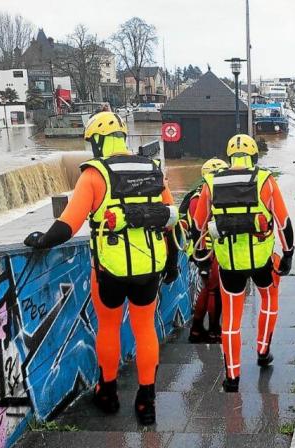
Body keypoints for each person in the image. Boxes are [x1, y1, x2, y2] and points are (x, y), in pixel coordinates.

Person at [23, 111, 179, 425]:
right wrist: (172, 262)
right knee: (145, 329)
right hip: (149, 267)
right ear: (122, 138)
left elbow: (68, 224)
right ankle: (146, 402)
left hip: (108, 271)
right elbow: (170, 220)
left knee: (108, 328)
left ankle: (107, 393)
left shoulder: (94, 175)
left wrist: (41, 240)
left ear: (97, 141)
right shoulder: (153, 170)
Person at [192, 134, 295, 392]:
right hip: (262, 259)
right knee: (269, 301)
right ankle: (263, 350)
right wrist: (288, 253)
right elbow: (283, 222)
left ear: (229, 158)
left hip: (229, 264)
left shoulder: (211, 183)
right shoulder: (265, 180)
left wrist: (202, 260)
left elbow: (197, 225)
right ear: (254, 156)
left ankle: (232, 377)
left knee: (231, 321)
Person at [184, 158, 229, 343]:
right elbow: (198, 227)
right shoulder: (200, 197)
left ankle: (196, 329)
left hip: (205, 251)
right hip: (206, 251)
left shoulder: (195, 194)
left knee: (207, 290)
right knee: (214, 291)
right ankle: (213, 330)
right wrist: (203, 257)